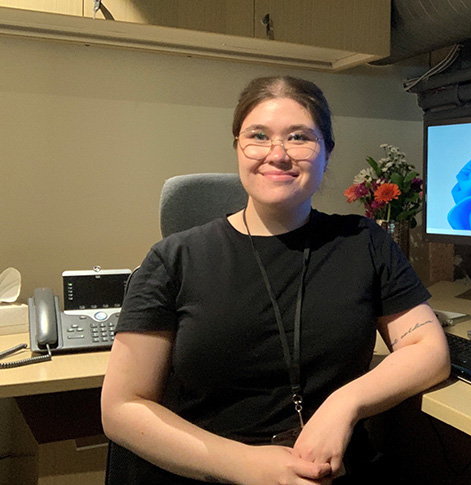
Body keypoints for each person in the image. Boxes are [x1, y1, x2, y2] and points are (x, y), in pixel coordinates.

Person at [101, 75, 451, 484]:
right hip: (210, 472)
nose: (278, 154)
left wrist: (344, 404)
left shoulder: (363, 242)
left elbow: (427, 348)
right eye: (258, 136)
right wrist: (245, 466)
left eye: (299, 137)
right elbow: (122, 407)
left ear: (326, 151)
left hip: (325, 470)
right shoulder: (174, 259)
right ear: (237, 148)